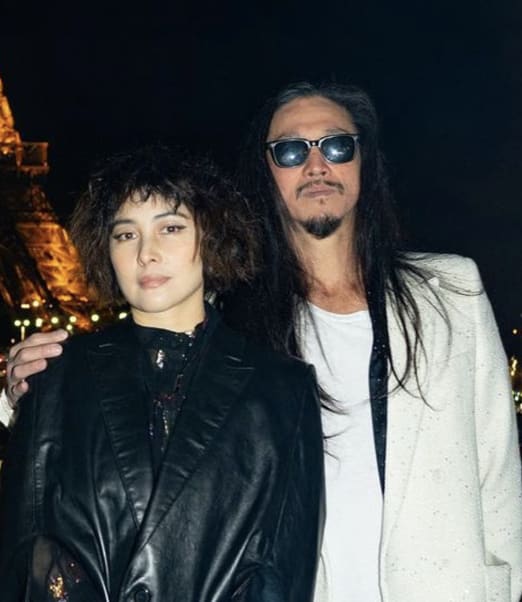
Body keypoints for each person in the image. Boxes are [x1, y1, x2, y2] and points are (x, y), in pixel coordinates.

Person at [4, 81, 522, 601]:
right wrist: (21, 394)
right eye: (291, 151)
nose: (316, 164)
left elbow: (498, 473)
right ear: (266, 171)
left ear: (364, 159)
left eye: (337, 145)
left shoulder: (452, 290)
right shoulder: (234, 320)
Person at [0, 145, 324, 601]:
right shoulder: (55, 378)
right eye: (125, 234)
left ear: (211, 236)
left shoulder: (284, 389)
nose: (146, 254)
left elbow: (285, 572)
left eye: (170, 228)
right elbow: (24, 556)